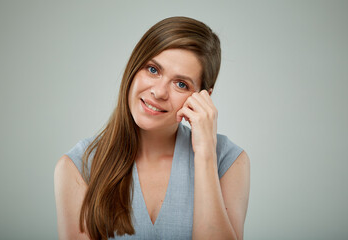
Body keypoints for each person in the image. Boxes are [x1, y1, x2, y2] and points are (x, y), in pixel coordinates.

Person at [54, 16, 250, 240]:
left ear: (203, 97)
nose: (159, 92)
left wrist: (206, 153)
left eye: (181, 84)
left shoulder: (228, 161)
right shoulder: (78, 167)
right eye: (153, 69)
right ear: (135, 66)